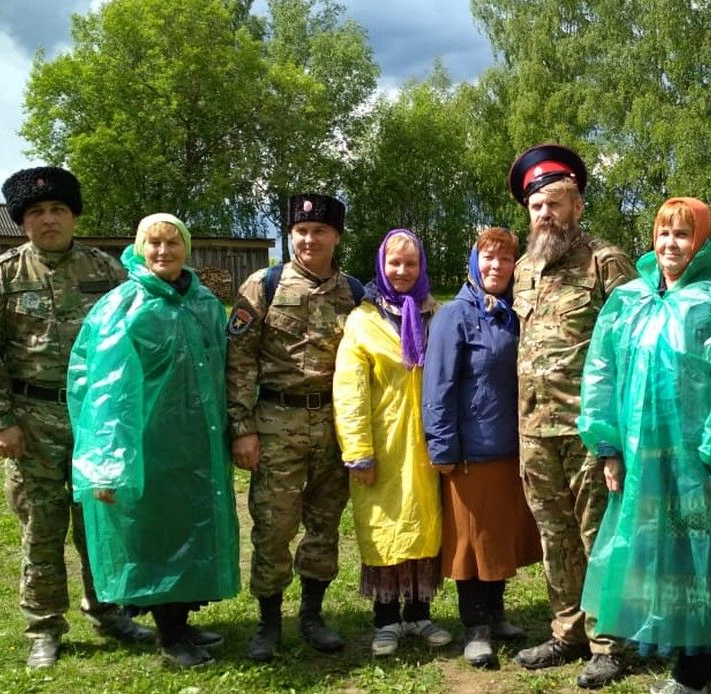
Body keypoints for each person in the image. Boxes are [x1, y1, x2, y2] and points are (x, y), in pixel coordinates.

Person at [0, 166, 153, 669]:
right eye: (37, 213)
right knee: (42, 525)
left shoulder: (106, 271)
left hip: (96, 419)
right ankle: (44, 627)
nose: (49, 220)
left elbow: (137, 337)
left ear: (73, 216)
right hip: (33, 418)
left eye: (58, 210)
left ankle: (109, 609)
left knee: (101, 518)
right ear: (23, 223)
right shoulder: (1, 276)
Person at [578, 197, 711, 694]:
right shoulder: (628, 300)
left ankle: (694, 676)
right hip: (642, 461)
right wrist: (607, 445)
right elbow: (601, 371)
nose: (670, 244)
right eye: (663, 233)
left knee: (702, 561)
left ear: (703, 242)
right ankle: (702, 669)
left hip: (696, 461)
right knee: (659, 559)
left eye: (682, 235)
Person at [68, 213, 240, 667]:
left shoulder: (203, 303)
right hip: (148, 446)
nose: (163, 252)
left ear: (187, 248)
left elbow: (227, 369)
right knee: (158, 535)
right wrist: (106, 464)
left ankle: (181, 619)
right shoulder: (124, 306)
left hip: (199, 441)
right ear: (139, 250)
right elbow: (102, 393)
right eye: (153, 243)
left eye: (172, 242)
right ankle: (170, 635)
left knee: (194, 529)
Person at [507, 143, 638, 690]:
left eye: (555, 204)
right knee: (553, 535)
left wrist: (617, 433)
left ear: (577, 206)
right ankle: (567, 632)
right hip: (534, 430)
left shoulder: (606, 262)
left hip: (588, 429)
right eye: (537, 207)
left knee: (597, 533)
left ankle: (609, 641)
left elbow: (634, 347)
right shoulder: (522, 270)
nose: (545, 216)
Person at [226, 193, 359, 662]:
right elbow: (238, 362)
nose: (308, 239)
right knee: (274, 524)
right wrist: (242, 429)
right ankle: (268, 620)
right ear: (290, 235)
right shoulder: (264, 285)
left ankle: (313, 614)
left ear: (336, 237)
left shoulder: (355, 294)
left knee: (324, 524)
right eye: (300, 231)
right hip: (275, 425)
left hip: (334, 426)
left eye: (319, 231)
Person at [423, 228, 542, 668]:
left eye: (506, 260)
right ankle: (474, 628)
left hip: (511, 447)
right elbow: (438, 387)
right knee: (470, 544)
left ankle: (496, 615)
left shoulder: (513, 314)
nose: (496, 267)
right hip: (470, 453)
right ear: (474, 263)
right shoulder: (455, 315)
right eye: (488, 258)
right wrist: (442, 448)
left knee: (499, 539)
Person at [334, 228, 450, 656]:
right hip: (381, 446)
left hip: (425, 444)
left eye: (411, 263)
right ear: (381, 266)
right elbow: (350, 392)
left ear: (422, 268)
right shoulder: (362, 321)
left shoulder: (435, 315)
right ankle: (385, 619)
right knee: (383, 528)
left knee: (423, 525)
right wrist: (358, 451)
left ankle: (419, 613)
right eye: (394, 263)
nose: (402, 271)